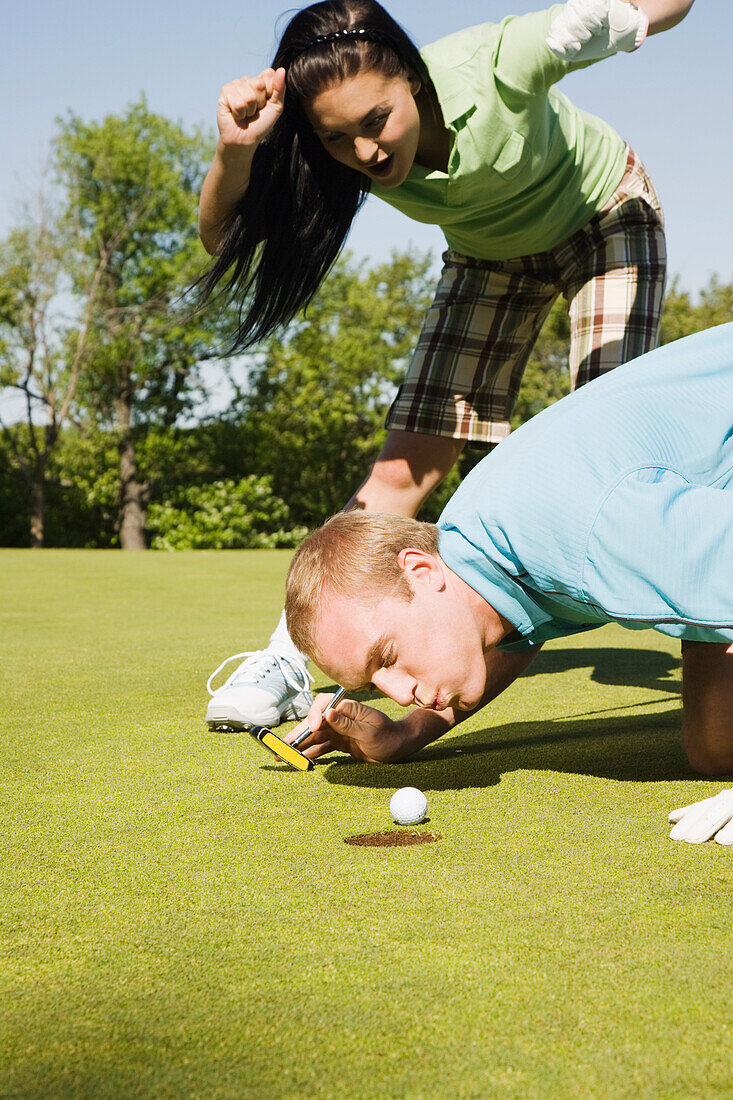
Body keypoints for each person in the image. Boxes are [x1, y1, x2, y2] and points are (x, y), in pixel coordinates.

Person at [198, 0, 693, 731]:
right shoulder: (336, 153)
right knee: (403, 468)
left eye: (376, 121)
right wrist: (235, 149)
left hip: (605, 215)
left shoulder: (503, 60)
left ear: (413, 80)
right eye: (339, 137)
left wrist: (612, 16)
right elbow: (219, 239)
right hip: (490, 257)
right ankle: (286, 662)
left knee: (606, 439)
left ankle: (711, 617)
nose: (364, 152)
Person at [282, 323, 733, 845]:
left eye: (386, 656)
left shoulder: (596, 534)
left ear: (421, 572)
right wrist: (407, 734)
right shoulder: (470, 548)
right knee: (716, 748)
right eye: (373, 684)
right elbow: (515, 630)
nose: (399, 693)